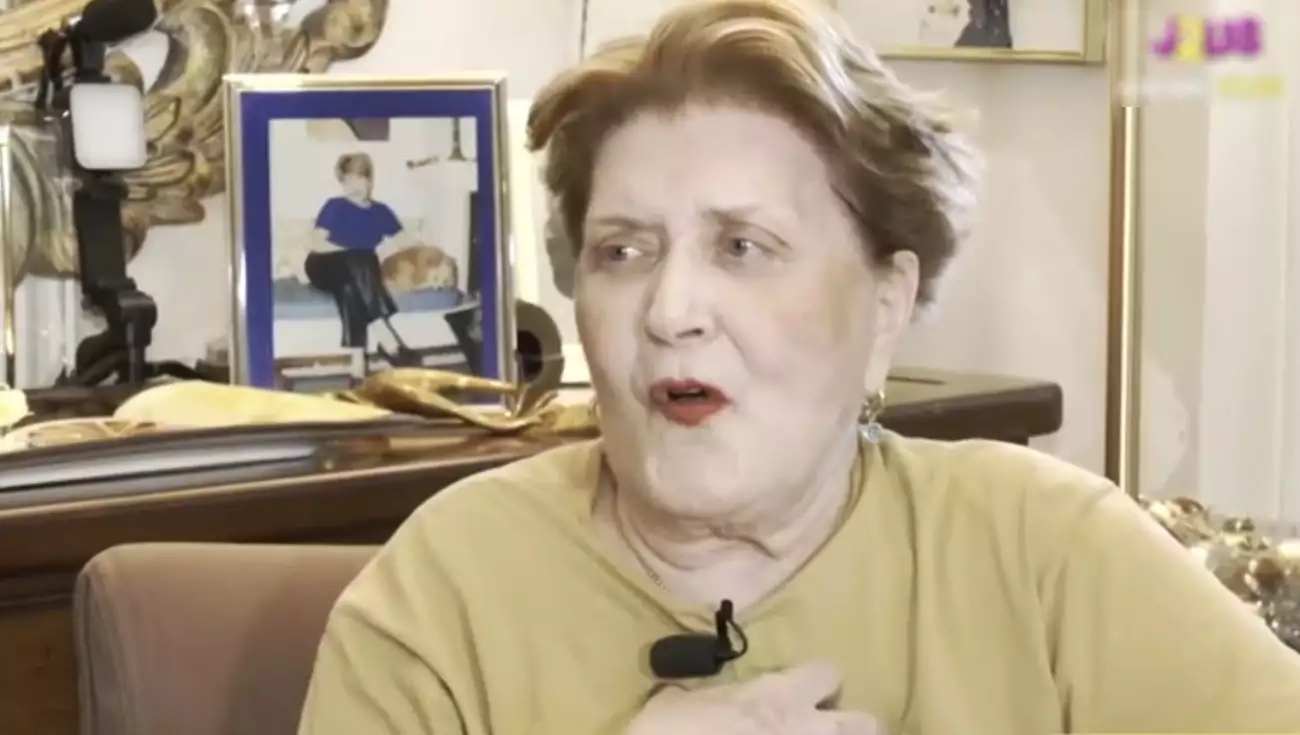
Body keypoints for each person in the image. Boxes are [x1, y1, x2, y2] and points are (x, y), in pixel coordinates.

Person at [298, 1, 1300, 733]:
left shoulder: (1044, 550)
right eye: (623, 250)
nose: (671, 311)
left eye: (743, 246)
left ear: (885, 303)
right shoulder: (445, 592)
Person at [305, 152, 417, 356]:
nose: (354, 186)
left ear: (369, 181)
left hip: (359, 273)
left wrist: (384, 251)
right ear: (342, 183)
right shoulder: (335, 206)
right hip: (323, 265)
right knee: (360, 257)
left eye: (359, 179)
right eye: (348, 181)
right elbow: (316, 244)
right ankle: (386, 336)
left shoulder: (381, 211)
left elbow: (405, 241)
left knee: (350, 288)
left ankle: (357, 366)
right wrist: (353, 252)